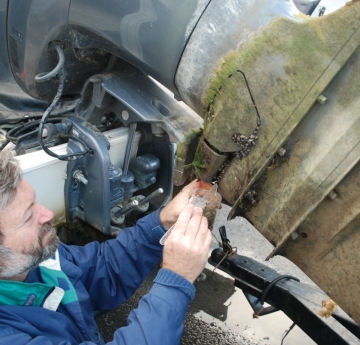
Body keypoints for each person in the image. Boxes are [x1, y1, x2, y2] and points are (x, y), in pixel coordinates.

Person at [0, 150, 212, 344]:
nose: (47, 214)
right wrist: (174, 281)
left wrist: (160, 223)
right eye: (28, 216)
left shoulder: (38, 261)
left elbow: (100, 270)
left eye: (35, 201)